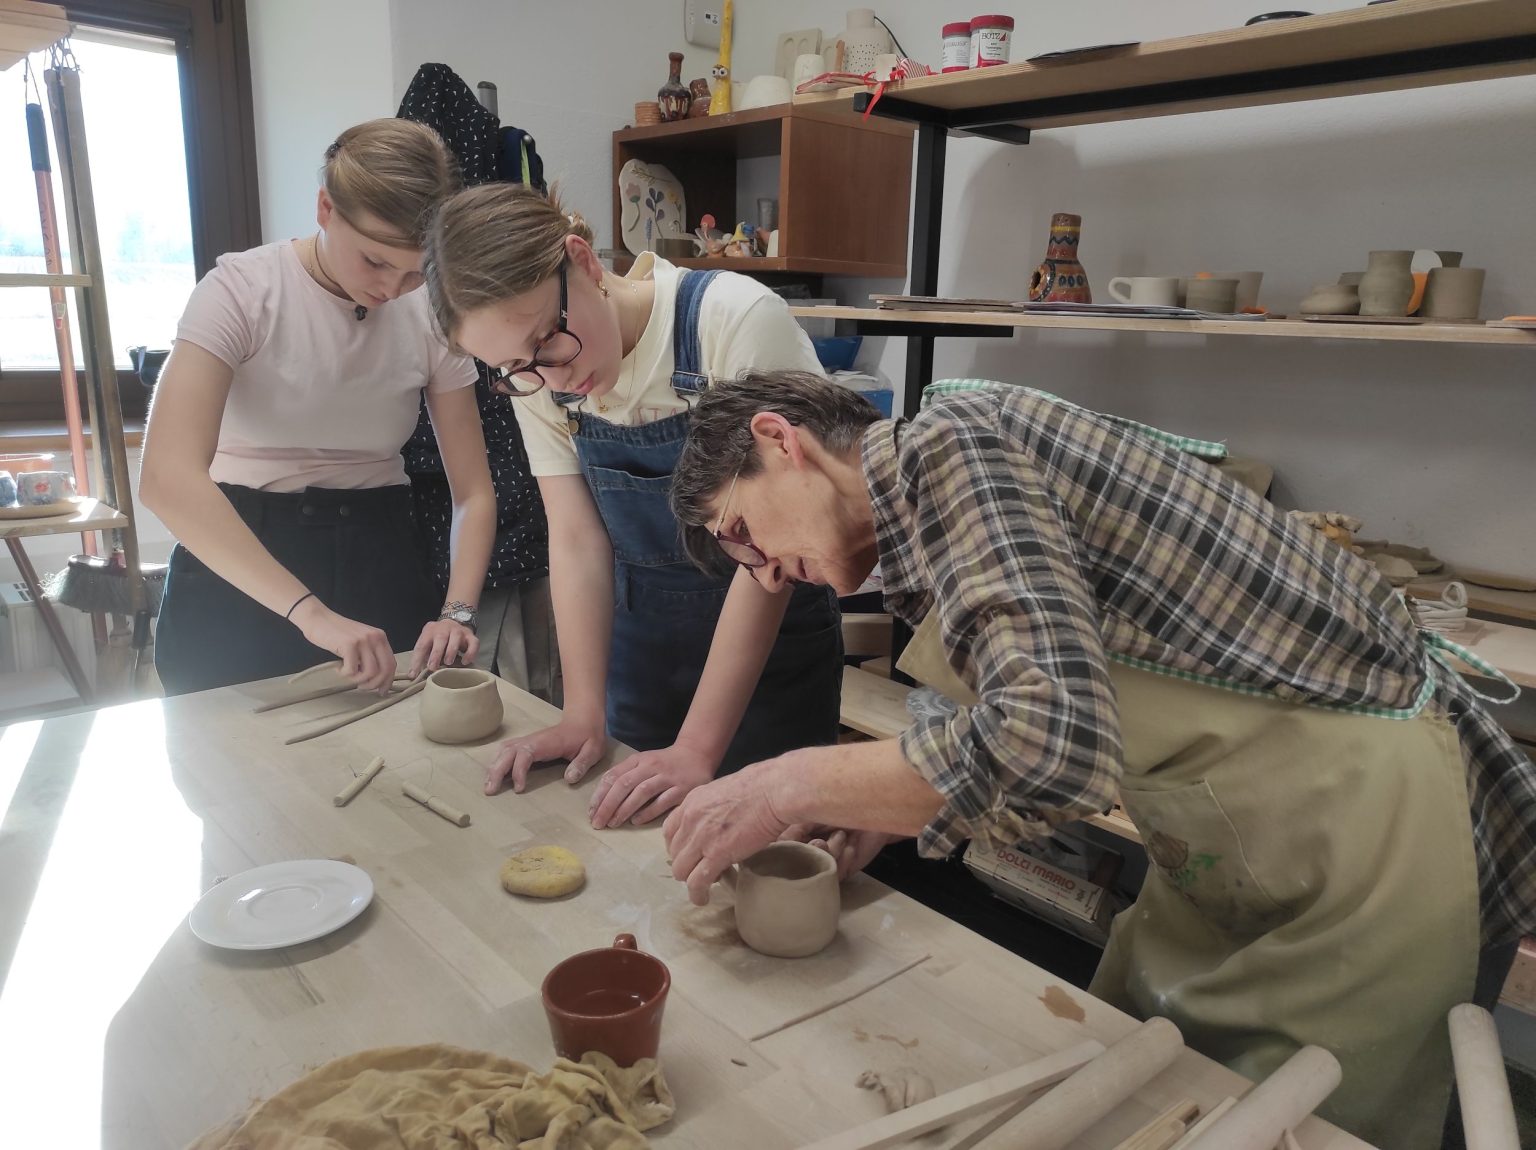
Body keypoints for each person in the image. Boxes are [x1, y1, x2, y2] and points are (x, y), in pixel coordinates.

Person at [660, 370, 1536, 1150]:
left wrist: (787, 784)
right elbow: (1032, 715)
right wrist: (883, 809)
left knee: (1300, 1120)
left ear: (782, 441)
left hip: (1374, 835)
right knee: (1146, 1080)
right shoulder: (929, 522)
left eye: (742, 533)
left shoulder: (950, 446)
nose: (764, 575)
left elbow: (1049, 743)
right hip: (1243, 834)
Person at [422, 185, 842, 825]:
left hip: (770, 655)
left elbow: (770, 552)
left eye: (548, 338)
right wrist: (581, 714)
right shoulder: (540, 381)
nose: (554, 376)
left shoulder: (731, 321)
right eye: (514, 366)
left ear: (583, 261)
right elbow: (576, 540)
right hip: (644, 655)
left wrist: (697, 748)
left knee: (777, 858)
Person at [142, 119, 495, 695]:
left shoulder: (431, 312)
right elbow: (166, 478)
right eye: (375, 261)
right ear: (325, 208)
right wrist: (310, 613)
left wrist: (458, 610)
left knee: (394, 742)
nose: (392, 289)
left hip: (379, 551)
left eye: (416, 271)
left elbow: (473, 492)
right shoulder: (240, 292)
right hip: (240, 557)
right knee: (228, 748)